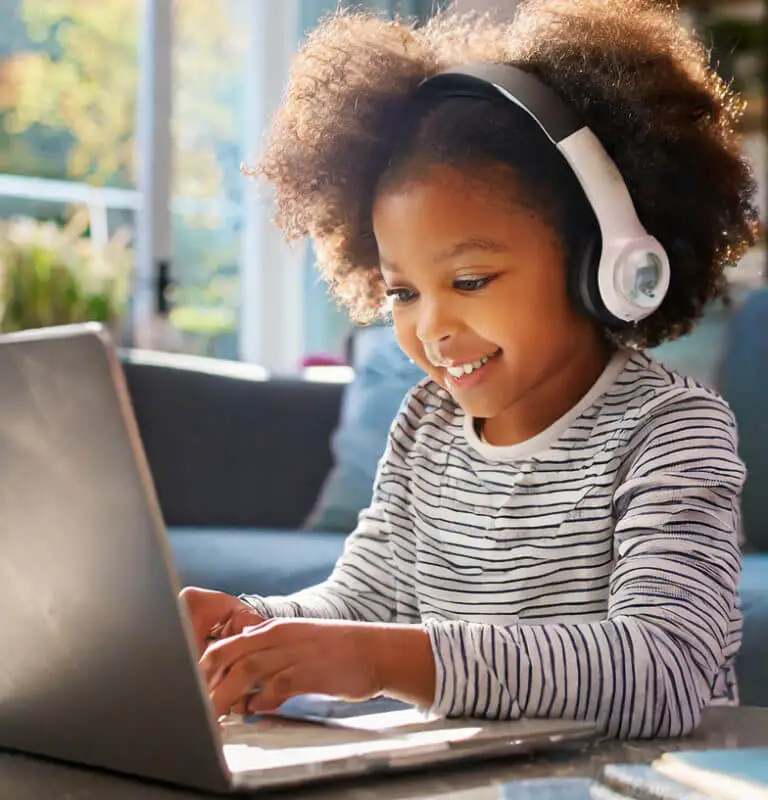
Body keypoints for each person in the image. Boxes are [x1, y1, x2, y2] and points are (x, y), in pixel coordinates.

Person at [181, 0, 760, 739]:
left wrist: (389, 660)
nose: (432, 328)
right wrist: (254, 628)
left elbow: (663, 669)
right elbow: (364, 601)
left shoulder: (672, 431)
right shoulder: (428, 426)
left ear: (604, 261)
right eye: (403, 292)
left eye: (472, 280)